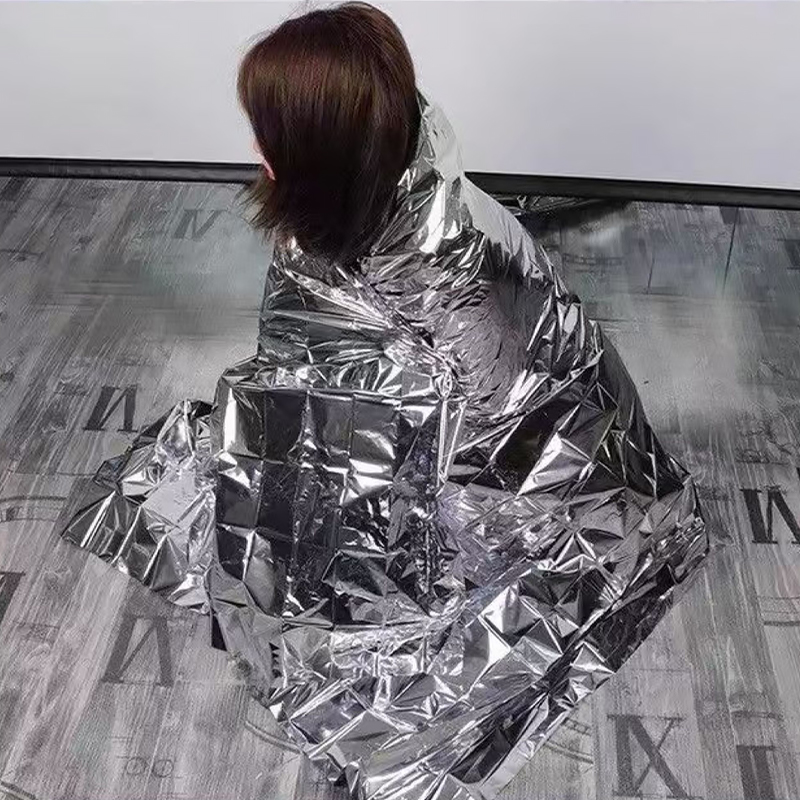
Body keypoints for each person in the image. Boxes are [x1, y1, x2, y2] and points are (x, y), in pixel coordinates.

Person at [61, 4, 708, 800]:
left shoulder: (435, 291)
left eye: (268, 132)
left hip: (526, 503)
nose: (255, 148)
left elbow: (454, 447)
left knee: (305, 602)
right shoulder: (395, 190)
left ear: (319, 153)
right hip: (506, 428)